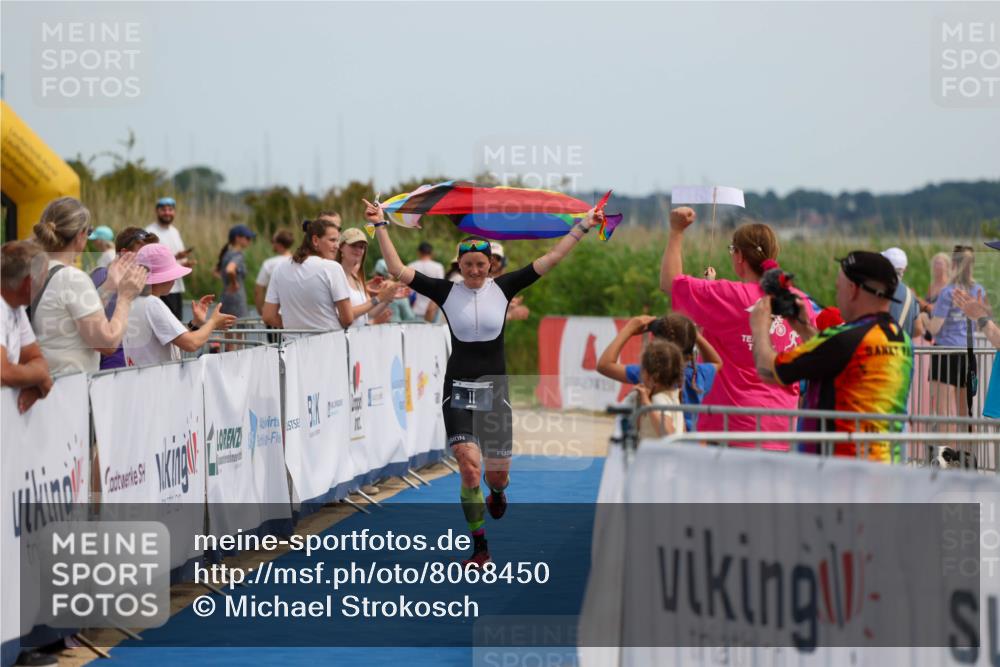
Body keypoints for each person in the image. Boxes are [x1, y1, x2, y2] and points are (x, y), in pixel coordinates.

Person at [366, 196, 603, 568]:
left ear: (491, 265)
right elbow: (397, 268)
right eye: (468, 264)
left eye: (481, 264)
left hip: (495, 392)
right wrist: (380, 224)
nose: (475, 270)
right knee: (468, 465)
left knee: (497, 476)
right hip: (458, 389)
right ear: (457, 265)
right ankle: (479, 548)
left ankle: (497, 492)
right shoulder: (446, 291)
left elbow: (552, 259)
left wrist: (583, 226)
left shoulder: (505, 287)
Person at [659, 207, 816, 446]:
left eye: (732, 250)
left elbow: (670, 282)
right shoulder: (798, 300)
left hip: (731, 429)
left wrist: (676, 232)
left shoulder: (730, 296)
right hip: (785, 427)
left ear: (739, 256)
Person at [750, 251, 913, 462]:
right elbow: (834, 356)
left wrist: (759, 325)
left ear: (853, 290)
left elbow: (769, 371)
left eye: (839, 289)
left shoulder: (846, 339)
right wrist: (803, 328)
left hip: (839, 472)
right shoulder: (900, 338)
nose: (837, 296)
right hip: (885, 465)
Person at [30, 197, 147, 374]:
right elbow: (107, 343)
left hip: (43, 384)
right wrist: (125, 298)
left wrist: (109, 285)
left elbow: (73, 316)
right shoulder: (72, 278)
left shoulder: (35, 270)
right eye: (89, 231)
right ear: (80, 236)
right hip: (69, 387)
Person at [597, 313, 721, 432]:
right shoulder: (698, 374)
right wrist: (693, 334)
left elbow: (604, 365)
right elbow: (716, 362)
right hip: (687, 443)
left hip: (659, 442)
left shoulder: (652, 373)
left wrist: (628, 329)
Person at [124, 244, 237, 366]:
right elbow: (191, 344)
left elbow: (173, 337)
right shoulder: (152, 304)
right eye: (172, 274)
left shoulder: (131, 301)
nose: (175, 279)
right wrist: (213, 322)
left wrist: (195, 323)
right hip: (157, 381)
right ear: (163, 277)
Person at [919, 245, 987, 418]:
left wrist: (923, 318)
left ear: (954, 264)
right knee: (966, 413)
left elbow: (935, 328)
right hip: (968, 353)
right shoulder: (978, 290)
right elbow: (981, 324)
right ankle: (967, 446)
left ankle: (947, 446)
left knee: (945, 413)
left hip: (945, 354)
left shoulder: (948, 292)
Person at [261, 219, 354, 331]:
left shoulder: (279, 268)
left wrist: (295, 328)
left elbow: (268, 316)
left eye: (337, 241)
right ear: (315, 240)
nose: (337, 246)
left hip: (292, 344)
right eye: (332, 240)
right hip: (329, 342)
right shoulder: (332, 268)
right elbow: (348, 319)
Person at [91, 227, 160, 370]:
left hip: (125, 352)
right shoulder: (103, 276)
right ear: (124, 254)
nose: (149, 259)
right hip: (114, 353)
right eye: (143, 253)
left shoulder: (141, 282)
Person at [1, 241, 53, 414]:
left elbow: (36, 358)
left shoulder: (16, 306)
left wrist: (36, 381)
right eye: (43, 279)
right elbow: (3, 372)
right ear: (28, 283)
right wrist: (40, 377)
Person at [622, 339, 686, 438]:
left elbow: (669, 434)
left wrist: (647, 403)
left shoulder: (658, 399)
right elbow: (682, 432)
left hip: (656, 453)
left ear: (649, 376)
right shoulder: (674, 397)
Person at [337, 227, 397, 327]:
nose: (358, 250)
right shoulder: (337, 275)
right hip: (342, 338)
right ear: (341, 247)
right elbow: (345, 315)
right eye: (353, 245)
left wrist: (388, 296)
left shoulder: (357, 279)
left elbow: (369, 312)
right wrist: (379, 298)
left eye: (361, 247)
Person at [145, 196, 194, 320]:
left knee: (177, 323)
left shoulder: (175, 231)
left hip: (176, 287)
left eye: (170, 209)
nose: (167, 213)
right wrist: (176, 257)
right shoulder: (149, 231)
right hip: (159, 288)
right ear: (157, 211)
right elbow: (149, 259)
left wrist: (185, 264)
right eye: (163, 209)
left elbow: (179, 259)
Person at [881, 247, 924, 340]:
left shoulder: (877, 289)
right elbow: (919, 329)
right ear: (905, 269)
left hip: (879, 349)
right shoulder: (910, 295)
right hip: (903, 350)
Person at [216, 224, 256, 320]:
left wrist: (227, 281)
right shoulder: (238, 255)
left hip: (225, 297)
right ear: (237, 238)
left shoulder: (226, 254)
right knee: (240, 329)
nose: (249, 241)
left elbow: (216, 271)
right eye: (247, 238)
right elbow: (230, 269)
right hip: (237, 299)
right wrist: (234, 283)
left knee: (227, 328)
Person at [254, 229, 295, 315]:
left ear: (279, 244)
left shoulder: (269, 264)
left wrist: (261, 312)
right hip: (294, 313)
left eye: (273, 241)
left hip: (274, 314)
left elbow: (258, 291)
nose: (272, 244)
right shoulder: (299, 262)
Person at [489, 242, 530, 321]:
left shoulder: (505, 282)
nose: (493, 261)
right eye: (490, 258)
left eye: (497, 258)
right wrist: (509, 315)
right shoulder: (474, 282)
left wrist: (510, 307)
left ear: (503, 262)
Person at [407, 241, 445, 318]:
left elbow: (407, 289)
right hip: (433, 309)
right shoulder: (438, 267)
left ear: (419, 252)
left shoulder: (411, 266)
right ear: (432, 253)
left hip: (415, 309)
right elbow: (441, 289)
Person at [920, 251, 952, 315]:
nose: (936, 266)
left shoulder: (949, 286)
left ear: (947, 267)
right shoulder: (932, 285)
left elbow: (936, 309)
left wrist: (918, 299)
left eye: (939, 264)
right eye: (935, 264)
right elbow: (925, 306)